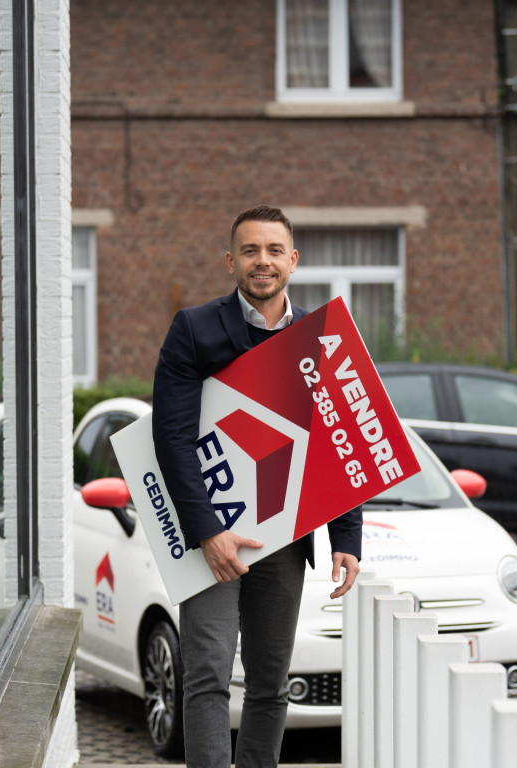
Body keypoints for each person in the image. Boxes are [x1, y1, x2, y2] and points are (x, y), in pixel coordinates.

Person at [151, 204, 363, 768]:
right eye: (250, 251)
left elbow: (340, 444)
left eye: (273, 251)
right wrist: (207, 531)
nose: (261, 262)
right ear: (230, 261)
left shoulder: (324, 339)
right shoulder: (193, 330)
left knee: (270, 682)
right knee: (208, 675)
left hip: (284, 536)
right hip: (212, 537)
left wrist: (347, 535)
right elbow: (171, 438)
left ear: (293, 260)